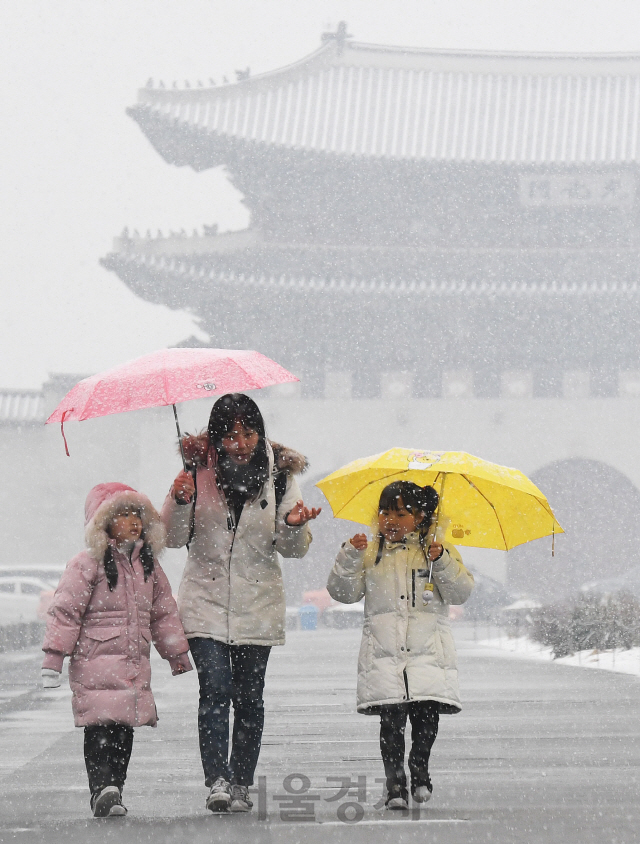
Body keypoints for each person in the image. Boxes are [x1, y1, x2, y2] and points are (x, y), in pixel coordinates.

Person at [162, 393, 320, 814]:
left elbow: (293, 550)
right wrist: (178, 502)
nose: (241, 442)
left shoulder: (281, 475)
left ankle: (241, 783)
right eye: (231, 434)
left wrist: (292, 526)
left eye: (248, 432)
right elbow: (174, 538)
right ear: (216, 436)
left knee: (249, 699)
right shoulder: (196, 469)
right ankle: (216, 779)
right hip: (204, 599)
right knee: (214, 691)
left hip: (257, 600)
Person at [41, 483, 192, 818]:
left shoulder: (149, 567)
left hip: (131, 664)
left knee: (123, 728)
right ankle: (102, 787)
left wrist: (177, 655)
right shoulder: (87, 564)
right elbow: (66, 611)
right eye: (121, 514)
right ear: (103, 523)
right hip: (95, 661)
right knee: (99, 727)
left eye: (136, 514)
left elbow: (163, 612)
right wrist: (53, 659)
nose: (132, 521)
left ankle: (114, 789)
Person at [327, 480, 474, 810]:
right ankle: (395, 785)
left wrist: (444, 561)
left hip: (427, 654)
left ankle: (419, 770)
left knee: (426, 718)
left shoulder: (438, 551)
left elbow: (461, 593)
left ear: (421, 517)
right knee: (391, 723)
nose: (390, 520)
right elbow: (343, 593)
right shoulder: (371, 552)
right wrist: (350, 556)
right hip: (385, 653)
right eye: (384, 512)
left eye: (400, 513)